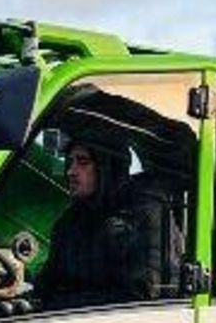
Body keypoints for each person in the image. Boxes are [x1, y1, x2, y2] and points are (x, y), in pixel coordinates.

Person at [40, 132, 182, 311]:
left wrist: (59, 306)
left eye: (83, 162)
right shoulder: (70, 222)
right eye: (70, 162)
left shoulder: (146, 215)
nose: (71, 172)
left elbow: (143, 295)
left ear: (107, 167)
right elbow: (48, 283)